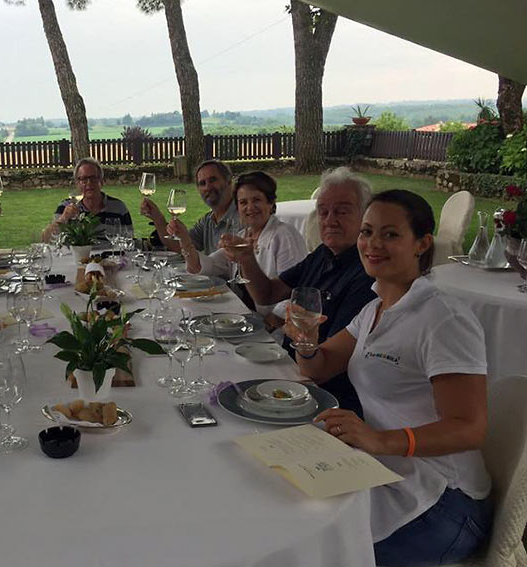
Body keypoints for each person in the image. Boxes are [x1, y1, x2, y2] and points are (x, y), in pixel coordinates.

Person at [288, 190, 492, 566]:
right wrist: (305, 342)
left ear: (422, 243)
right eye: (366, 232)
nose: (372, 244)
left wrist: (379, 439)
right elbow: (318, 366)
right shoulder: (375, 309)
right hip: (385, 471)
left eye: (390, 234)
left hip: (444, 499)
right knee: (287, 509)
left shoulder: (443, 319)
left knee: (313, 550)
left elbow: (470, 428)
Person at [234, 167, 377, 416]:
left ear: (366, 217)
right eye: (323, 212)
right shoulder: (322, 255)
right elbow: (266, 294)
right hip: (289, 368)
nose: (330, 219)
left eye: (342, 211)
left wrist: (300, 342)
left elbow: (326, 366)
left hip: (321, 395)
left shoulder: (367, 274)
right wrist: (247, 258)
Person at [169, 171, 307, 319]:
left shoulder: (284, 236)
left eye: (256, 200)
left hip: (276, 329)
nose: (250, 207)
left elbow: (297, 291)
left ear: (270, 202)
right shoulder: (242, 236)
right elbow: (204, 267)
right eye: (243, 202)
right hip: (243, 320)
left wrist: (272, 321)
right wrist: (185, 240)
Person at [141, 159, 241, 255]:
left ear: (228, 182)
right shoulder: (208, 220)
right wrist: (157, 218)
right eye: (202, 183)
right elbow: (181, 246)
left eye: (213, 180)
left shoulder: (242, 217)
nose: (208, 187)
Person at [40, 157, 133, 243]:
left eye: (93, 178)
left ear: (101, 181)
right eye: (84, 179)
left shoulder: (119, 208)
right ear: (77, 183)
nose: (89, 183)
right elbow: (46, 240)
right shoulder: (65, 206)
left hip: (109, 259)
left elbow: (129, 240)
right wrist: (63, 218)